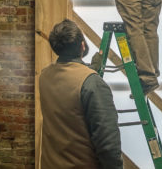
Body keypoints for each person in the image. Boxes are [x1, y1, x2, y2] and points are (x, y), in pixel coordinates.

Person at [39, 19, 123, 169]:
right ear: (82, 46)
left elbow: (69, 84)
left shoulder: (45, 76)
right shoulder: (92, 84)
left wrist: (90, 69)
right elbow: (108, 145)